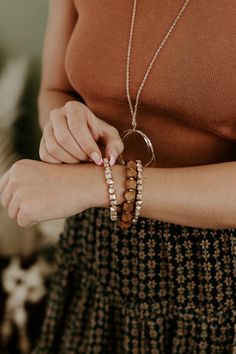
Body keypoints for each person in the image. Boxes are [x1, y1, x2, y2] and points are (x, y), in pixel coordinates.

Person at [0, 0, 235, 352]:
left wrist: (103, 185)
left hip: (217, 277)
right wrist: (63, 128)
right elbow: (56, 91)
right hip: (95, 254)